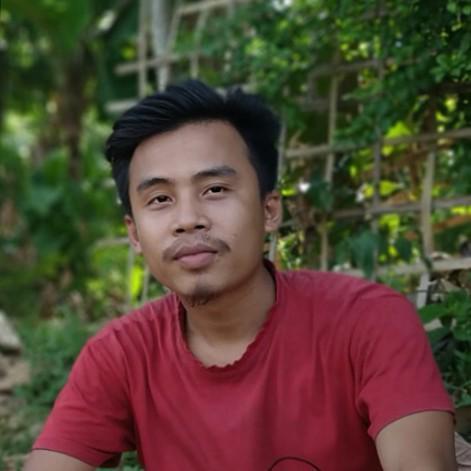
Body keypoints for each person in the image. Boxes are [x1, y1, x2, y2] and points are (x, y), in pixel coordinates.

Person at [24, 80, 456, 470]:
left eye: (214, 190)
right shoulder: (121, 355)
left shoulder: (367, 321)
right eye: (159, 199)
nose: (187, 219)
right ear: (135, 234)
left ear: (270, 210)